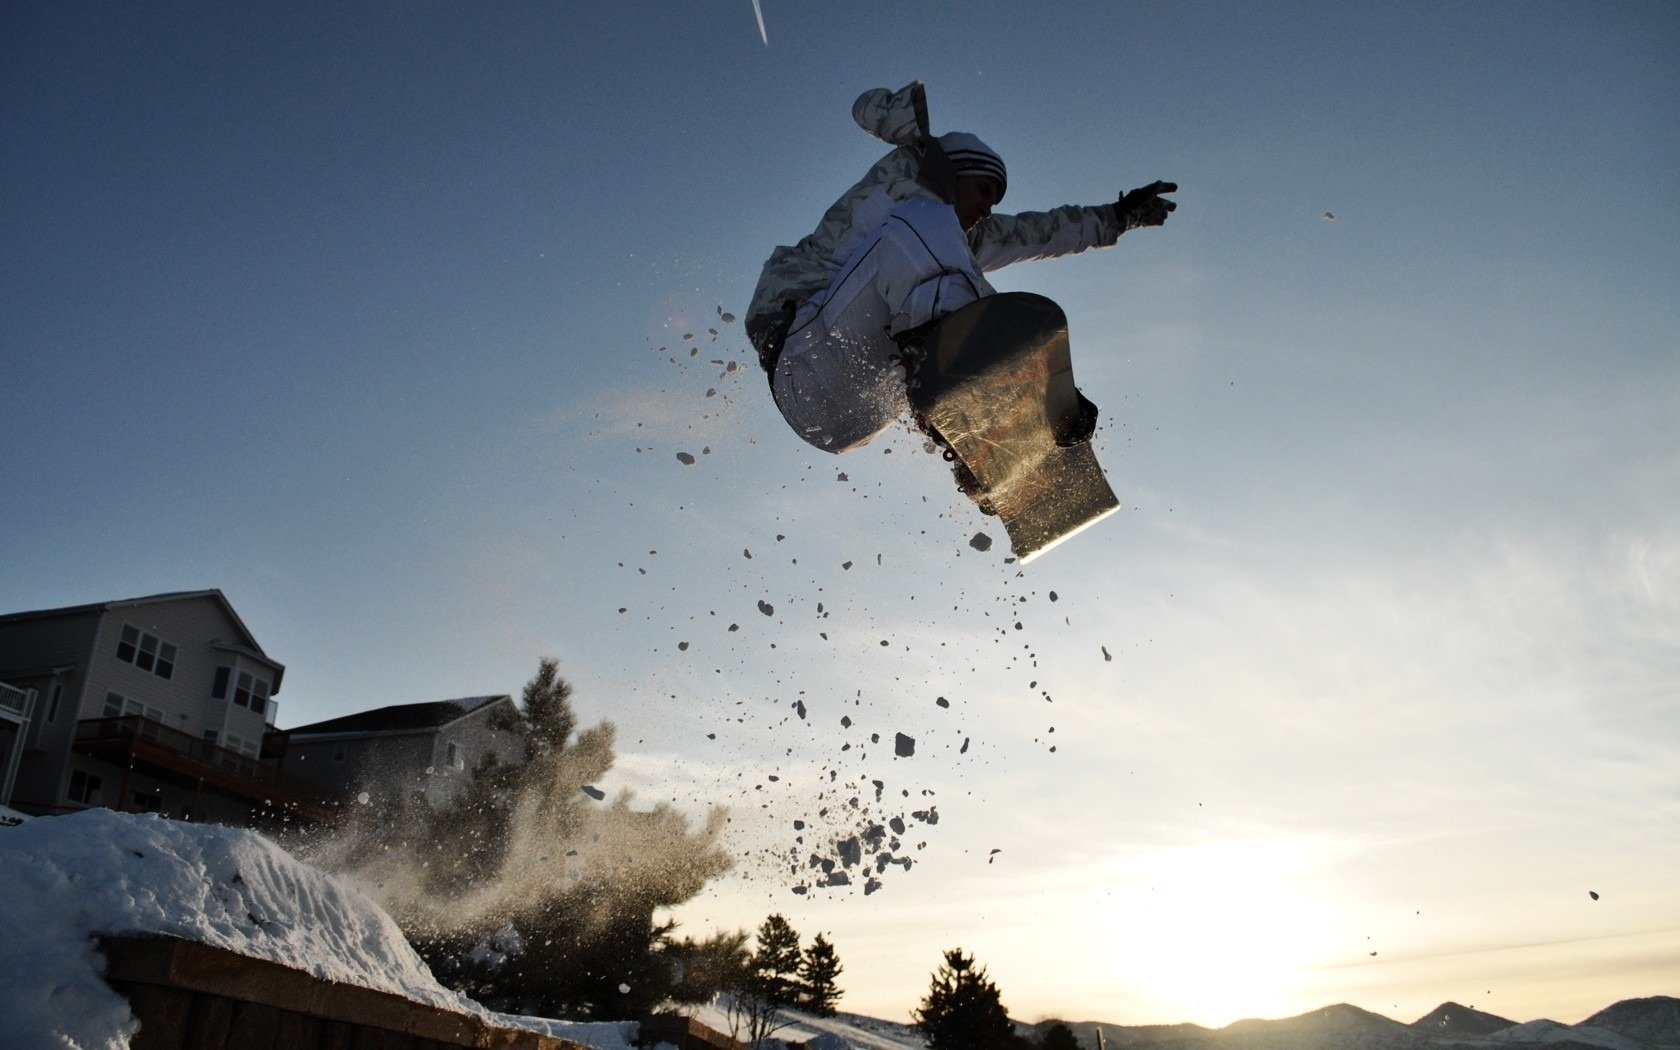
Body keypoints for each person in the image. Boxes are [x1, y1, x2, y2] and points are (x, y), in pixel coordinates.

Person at [746, 81, 1177, 455]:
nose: (987, 209)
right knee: (928, 232)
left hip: (852, 416)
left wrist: (1121, 216)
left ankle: (985, 448)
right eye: (984, 190)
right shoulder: (908, 192)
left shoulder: (949, 245)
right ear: (955, 173)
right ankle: (994, 384)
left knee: (951, 271)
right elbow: (867, 109)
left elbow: (1038, 232)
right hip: (802, 356)